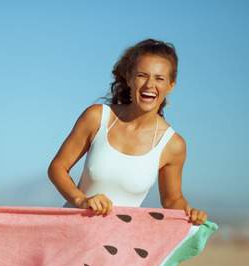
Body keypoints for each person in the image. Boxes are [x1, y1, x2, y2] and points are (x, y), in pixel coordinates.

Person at [48, 39, 207, 226]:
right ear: (129, 78)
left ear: (171, 85)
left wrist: (191, 214)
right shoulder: (97, 117)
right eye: (142, 75)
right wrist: (80, 200)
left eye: (159, 78)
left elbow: (172, 200)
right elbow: (57, 168)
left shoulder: (173, 144)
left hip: (120, 244)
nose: (149, 85)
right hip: (70, 232)